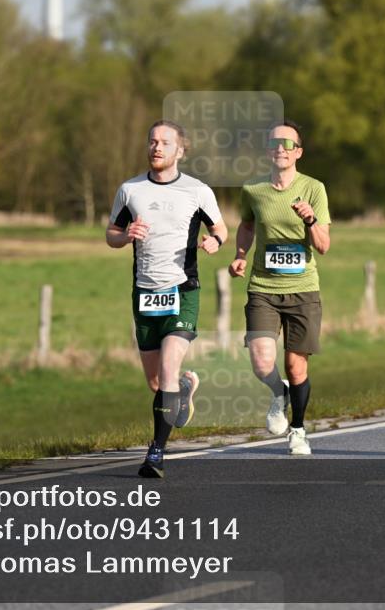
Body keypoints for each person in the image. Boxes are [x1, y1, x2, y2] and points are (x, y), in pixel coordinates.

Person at [107, 120, 227, 478]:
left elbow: (219, 228)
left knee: (168, 368)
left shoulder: (197, 191)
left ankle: (155, 454)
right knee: (157, 384)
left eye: (164, 142)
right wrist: (126, 234)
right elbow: (111, 234)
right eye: (152, 141)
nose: (156, 147)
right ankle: (186, 387)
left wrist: (215, 242)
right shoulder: (130, 190)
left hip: (182, 290)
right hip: (144, 294)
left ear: (180, 150)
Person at [228, 120, 331, 455]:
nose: (280, 149)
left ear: (298, 152)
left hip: (303, 289)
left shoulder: (314, 188)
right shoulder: (253, 189)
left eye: (288, 144)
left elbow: (324, 246)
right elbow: (246, 225)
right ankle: (279, 393)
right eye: (274, 143)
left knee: (296, 366)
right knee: (261, 362)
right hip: (263, 287)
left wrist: (310, 219)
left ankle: (298, 430)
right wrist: (241, 254)